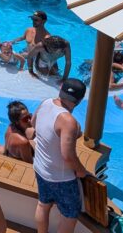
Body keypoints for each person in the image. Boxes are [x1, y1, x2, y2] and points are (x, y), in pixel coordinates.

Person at [33, 79, 89, 233]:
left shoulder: (45, 103)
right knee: (70, 216)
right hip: (61, 178)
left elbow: (34, 124)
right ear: (79, 100)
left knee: (43, 205)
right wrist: (80, 171)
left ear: (61, 90)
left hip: (40, 168)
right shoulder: (68, 121)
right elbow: (68, 156)